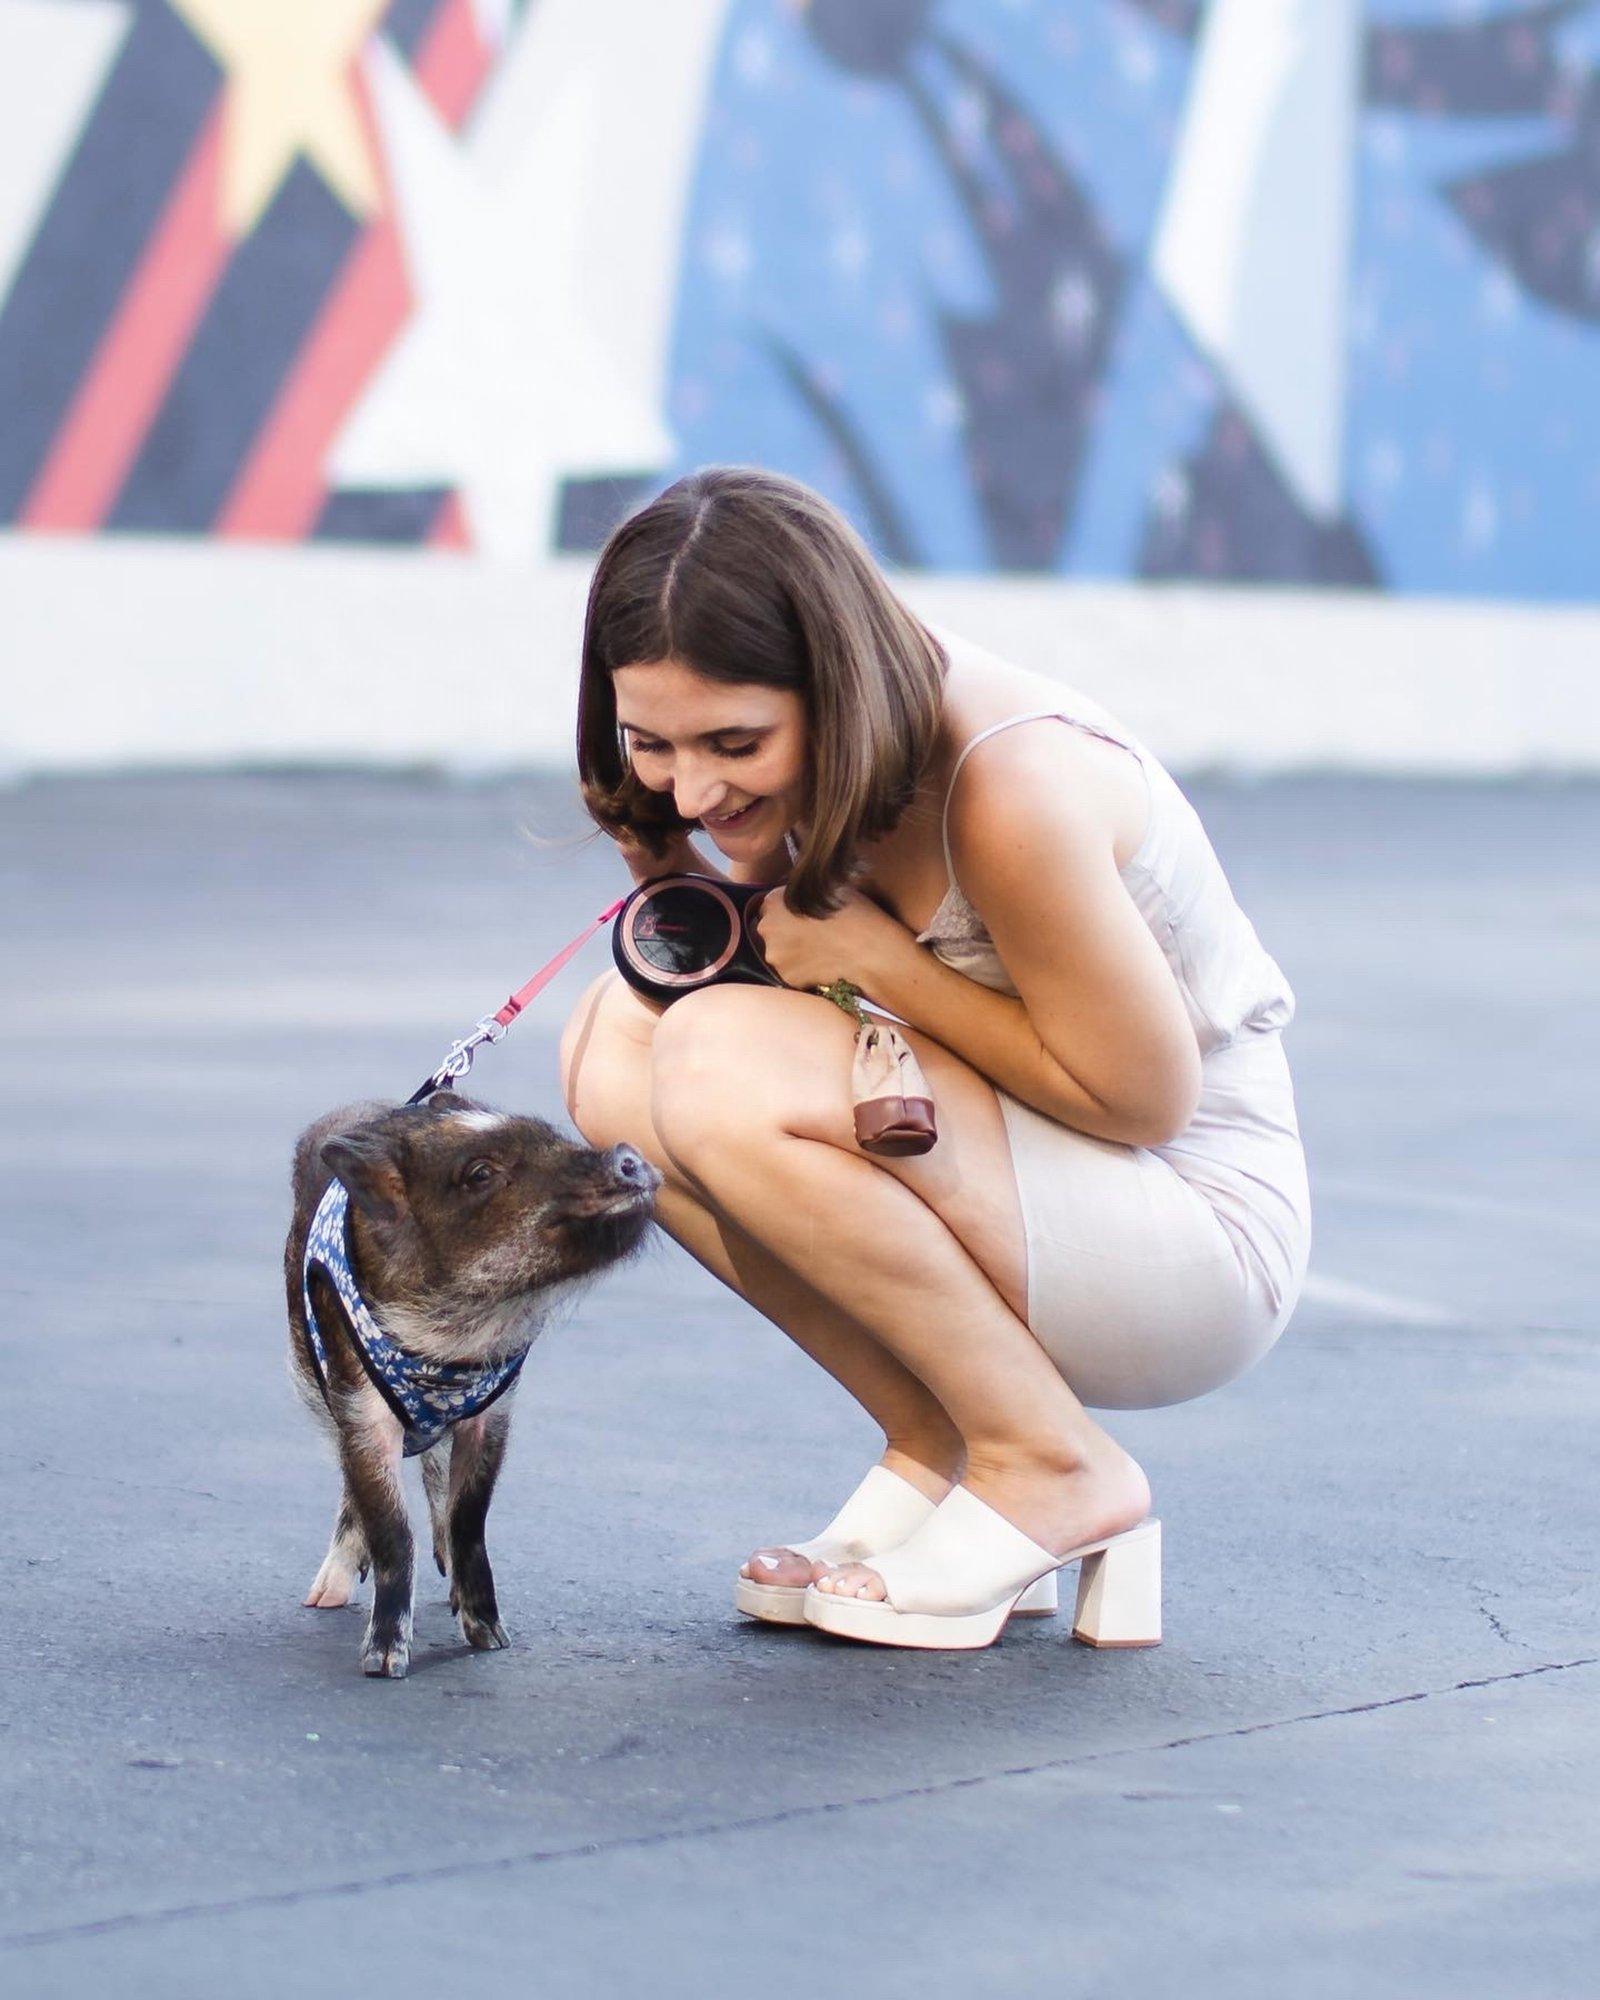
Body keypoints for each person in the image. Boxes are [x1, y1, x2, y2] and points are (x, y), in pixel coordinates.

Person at [559, 464, 1311, 1651]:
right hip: (1040, 1187)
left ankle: (1048, 1464)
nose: (692, 788)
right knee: (616, 1038)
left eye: (734, 741)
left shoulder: (1006, 784)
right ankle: (944, 1444)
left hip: (1195, 1234)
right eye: (651, 741)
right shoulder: (825, 751)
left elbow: (1143, 1099)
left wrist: (883, 965)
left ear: (833, 685)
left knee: (709, 1056)